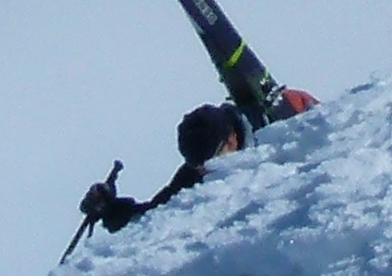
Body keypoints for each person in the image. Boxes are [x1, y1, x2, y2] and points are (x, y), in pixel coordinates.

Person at [74, 99, 261, 240]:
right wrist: (111, 210)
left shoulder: (278, 144)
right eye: (196, 164)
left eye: (209, 161)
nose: (202, 170)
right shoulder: (194, 177)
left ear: (232, 139)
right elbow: (154, 215)